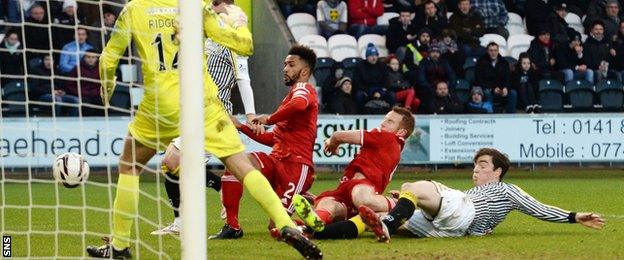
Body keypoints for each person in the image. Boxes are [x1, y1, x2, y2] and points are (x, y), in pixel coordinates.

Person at [86, 1, 321, 258]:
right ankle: (285, 224)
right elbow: (245, 46)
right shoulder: (196, 6)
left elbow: (108, 59)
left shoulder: (134, 8)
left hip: (159, 106)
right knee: (241, 166)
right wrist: (240, 22)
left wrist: (107, 87)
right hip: (204, 105)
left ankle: (120, 246)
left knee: (130, 166)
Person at [150, 0, 259, 236]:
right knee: (172, 164)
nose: (210, 10)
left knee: (175, 162)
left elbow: (243, 79)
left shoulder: (233, 42)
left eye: (216, 6)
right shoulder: (209, 38)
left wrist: (250, 114)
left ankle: (282, 210)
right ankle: (211, 196)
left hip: (217, 117)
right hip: (197, 112)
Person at [358, 148, 605, 242]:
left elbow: (537, 208)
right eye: (475, 165)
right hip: (451, 230)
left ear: (498, 171)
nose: (476, 169)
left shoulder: (506, 190)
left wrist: (574, 216)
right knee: (375, 217)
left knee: (413, 185)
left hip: (463, 214)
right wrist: (410, 202)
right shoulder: (471, 192)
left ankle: (391, 221)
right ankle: (327, 230)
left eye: (483, 165)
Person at [208, 44, 319, 240]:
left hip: (296, 167)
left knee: (277, 229)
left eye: (291, 65)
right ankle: (232, 226)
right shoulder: (290, 96)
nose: (285, 68)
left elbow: (299, 104)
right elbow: (273, 139)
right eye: (285, 64)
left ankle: (318, 223)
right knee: (236, 163)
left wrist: (268, 119)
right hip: (276, 160)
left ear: (305, 71)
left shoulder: (304, 89)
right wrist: (241, 126)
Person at [292, 107, 414, 233]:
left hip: (363, 188)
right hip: (346, 191)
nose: (383, 123)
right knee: (329, 204)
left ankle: (400, 205)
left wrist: (332, 143)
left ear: (401, 132)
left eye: (390, 121)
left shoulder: (387, 138)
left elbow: (338, 135)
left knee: (362, 198)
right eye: (385, 119)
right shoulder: (391, 146)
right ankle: (309, 226)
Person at [474, 42, 517, 113]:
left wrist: (506, 88)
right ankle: (490, 114)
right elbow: (479, 80)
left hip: (501, 89)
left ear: (498, 51)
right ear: (487, 51)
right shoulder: (481, 62)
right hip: (488, 88)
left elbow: (508, 78)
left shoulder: (504, 62)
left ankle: (511, 115)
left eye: (495, 50)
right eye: (491, 50)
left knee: (513, 93)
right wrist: (492, 88)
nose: (493, 52)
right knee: (487, 92)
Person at [65, 48, 103, 116]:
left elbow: (104, 85)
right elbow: (69, 86)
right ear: (84, 58)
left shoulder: (101, 69)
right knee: (87, 107)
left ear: (97, 59)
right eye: (88, 57)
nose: (91, 59)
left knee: (107, 105)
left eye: (93, 57)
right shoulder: (77, 69)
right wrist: (80, 93)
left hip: (96, 95)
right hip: (82, 96)